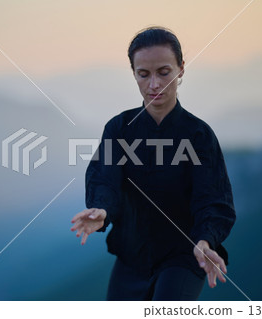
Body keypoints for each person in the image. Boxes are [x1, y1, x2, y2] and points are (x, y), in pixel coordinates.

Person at [70, 26, 236, 301]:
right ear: (133, 73)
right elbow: (105, 179)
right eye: (143, 74)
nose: (154, 85)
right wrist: (102, 210)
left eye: (164, 72)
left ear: (181, 69)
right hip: (131, 258)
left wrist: (205, 240)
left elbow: (213, 199)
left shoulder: (198, 135)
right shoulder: (120, 129)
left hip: (183, 257)